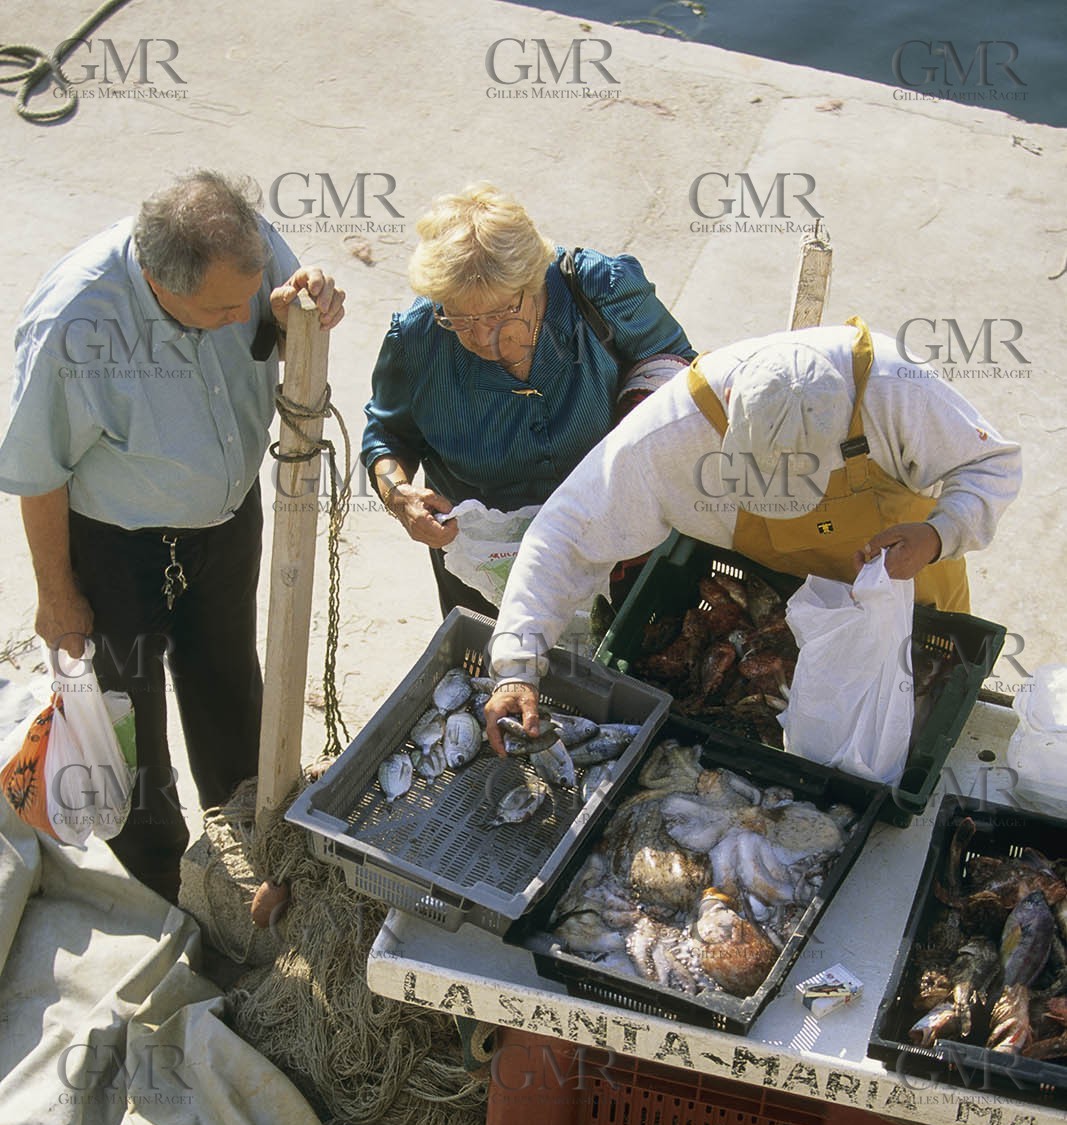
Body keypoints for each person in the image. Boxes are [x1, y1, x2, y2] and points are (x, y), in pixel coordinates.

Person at [0, 171, 345, 902]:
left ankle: (252, 851)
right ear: (157, 281)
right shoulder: (74, 322)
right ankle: (164, 891)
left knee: (229, 683)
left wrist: (298, 312)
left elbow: (277, 317)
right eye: (218, 309)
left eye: (244, 298)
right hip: (114, 546)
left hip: (225, 521)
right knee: (129, 720)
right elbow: (38, 470)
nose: (236, 317)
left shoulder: (242, 253)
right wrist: (57, 597)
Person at [484, 316, 1022, 749]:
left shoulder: (894, 388)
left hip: (913, 581)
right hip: (786, 593)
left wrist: (938, 533)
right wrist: (515, 665)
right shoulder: (673, 430)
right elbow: (566, 533)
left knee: (930, 706)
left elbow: (993, 464)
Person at [361, 182, 696, 618]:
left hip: (616, 533)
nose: (482, 336)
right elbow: (386, 435)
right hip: (488, 561)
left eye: (501, 312)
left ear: (534, 281)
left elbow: (680, 368)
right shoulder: (417, 337)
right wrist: (399, 496)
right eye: (459, 319)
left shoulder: (600, 289)